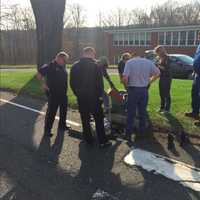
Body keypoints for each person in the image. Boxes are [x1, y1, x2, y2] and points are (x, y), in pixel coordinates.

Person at [70, 47, 111, 148]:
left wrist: (78, 94)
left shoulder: (75, 66)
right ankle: (102, 141)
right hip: (94, 97)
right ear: (91, 53)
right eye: (94, 54)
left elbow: (72, 83)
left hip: (81, 97)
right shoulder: (96, 65)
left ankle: (88, 139)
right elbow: (100, 84)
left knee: (85, 118)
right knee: (98, 119)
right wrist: (100, 96)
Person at [123, 54, 160, 142]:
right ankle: (142, 133)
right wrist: (150, 81)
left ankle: (128, 134)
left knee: (130, 113)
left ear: (133, 56)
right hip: (144, 89)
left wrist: (126, 87)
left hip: (133, 89)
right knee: (142, 112)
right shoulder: (148, 62)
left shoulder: (129, 62)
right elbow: (158, 73)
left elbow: (125, 78)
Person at [37, 51, 70, 137]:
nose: (65, 62)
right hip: (53, 93)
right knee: (51, 112)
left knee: (64, 110)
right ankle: (47, 130)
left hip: (63, 93)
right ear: (59, 58)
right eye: (64, 60)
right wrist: (43, 84)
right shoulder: (49, 65)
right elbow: (39, 74)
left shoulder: (62, 66)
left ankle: (62, 126)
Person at [185, 31, 200, 126]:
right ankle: (194, 112)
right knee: (194, 93)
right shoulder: (199, 46)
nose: (199, 37)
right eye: (199, 35)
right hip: (197, 74)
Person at [155, 45, 172, 113]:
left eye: (159, 51)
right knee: (161, 93)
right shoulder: (159, 58)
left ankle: (167, 109)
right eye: (158, 51)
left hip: (167, 77)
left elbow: (166, 68)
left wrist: (158, 65)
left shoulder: (167, 58)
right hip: (162, 77)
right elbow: (159, 68)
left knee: (166, 93)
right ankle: (162, 107)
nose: (158, 53)